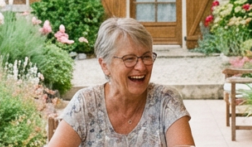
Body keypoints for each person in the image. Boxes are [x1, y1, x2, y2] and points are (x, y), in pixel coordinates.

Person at [47, 18, 195, 147]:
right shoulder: (86, 104)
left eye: (146, 57)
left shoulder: (166, 100)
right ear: (105, 65)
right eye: (129, 59)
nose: (141, 67)